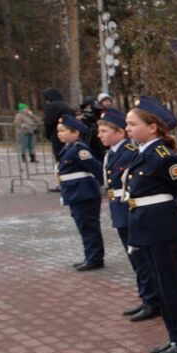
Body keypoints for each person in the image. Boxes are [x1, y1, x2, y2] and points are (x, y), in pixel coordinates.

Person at [124, 96, 177, 353]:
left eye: (133, 124)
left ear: (152, 127)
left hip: (161, 229)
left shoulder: (163, 157)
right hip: (146, 227)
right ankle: (176, 337)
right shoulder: (143, 153)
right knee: (161, 284)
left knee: (172, 286)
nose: (128, 129)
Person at [96, 107, 161, 321]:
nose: (100, 135)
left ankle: (152, 300)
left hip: (130, 209)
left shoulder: (130, 153)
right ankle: (147, 298)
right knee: (135, 259)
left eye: (105, 130)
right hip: (120, 210)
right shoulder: (115, 153)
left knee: (141, 259)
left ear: (119, 133)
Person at [54, 115, 105, 271]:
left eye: (62, 131)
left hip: (84, 194)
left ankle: (95, 258)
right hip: (75, 193)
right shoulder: (68, 148)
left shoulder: (79, 149)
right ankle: (90, 255)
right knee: (83, 226)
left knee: (89, 227)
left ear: (75, 133)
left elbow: (96, 168)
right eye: (58, 131)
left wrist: (106, 184)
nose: (59, 134)